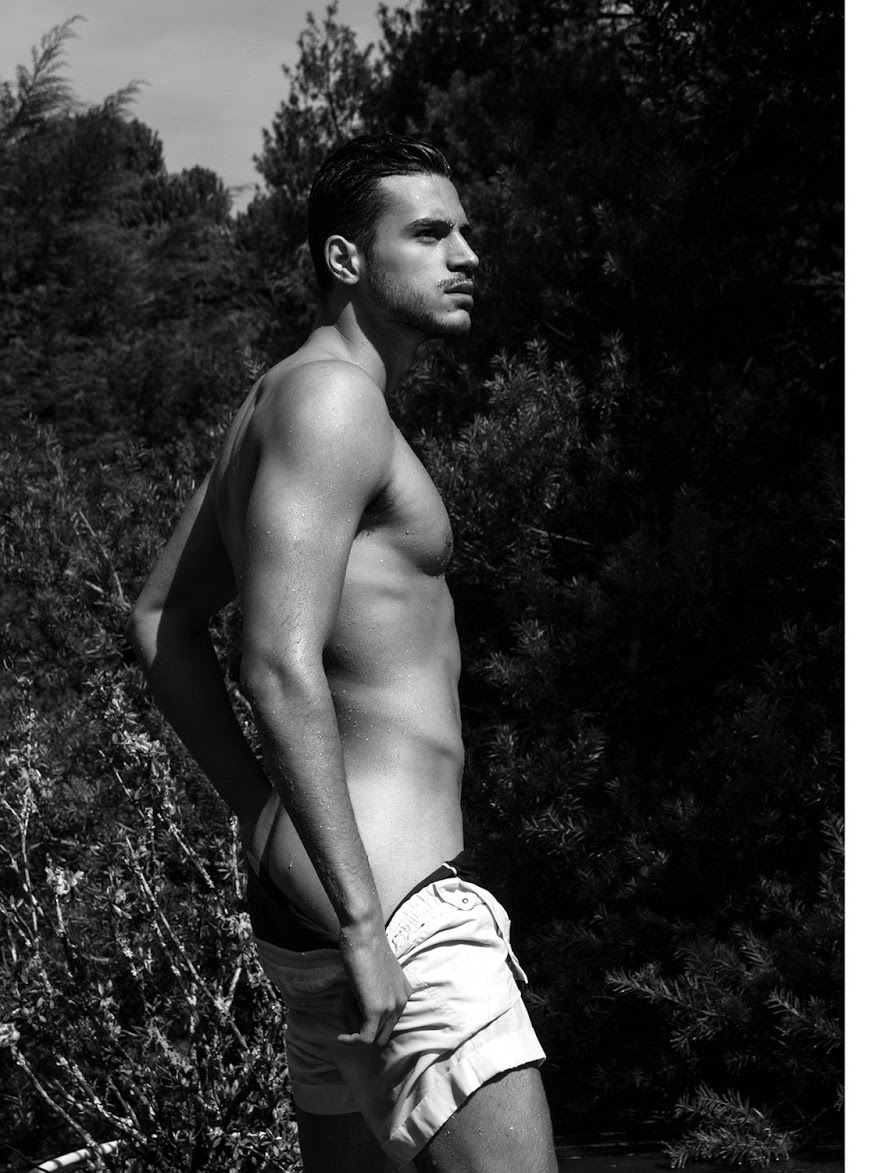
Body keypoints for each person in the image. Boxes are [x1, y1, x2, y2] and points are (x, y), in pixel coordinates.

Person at [128, 134, 557, 1173]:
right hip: (389, 905)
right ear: (345, 259)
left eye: (465, 232)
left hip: (318, 896)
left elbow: (160, 621)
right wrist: (365, 922)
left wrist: (256, 813)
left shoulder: (279, 397)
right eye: (431, 233)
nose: (467, 254)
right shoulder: (333, 401)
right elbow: (275, 663)